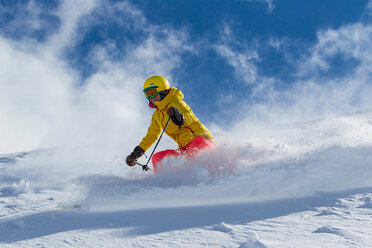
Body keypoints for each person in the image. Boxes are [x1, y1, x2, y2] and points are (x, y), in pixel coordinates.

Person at [126, 76, 214, 173]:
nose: (150, 97)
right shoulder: (157, 115)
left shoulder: (175, 102)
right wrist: (135, 154)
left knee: (193, 155)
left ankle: (203, 176)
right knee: (158, 158)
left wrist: (179, 118)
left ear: (162, 91)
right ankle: (166, 183)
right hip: (185, 150)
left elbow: (189, 117)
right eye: (147, 94)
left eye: (152, 92)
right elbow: (151, 136)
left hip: (201, 142)